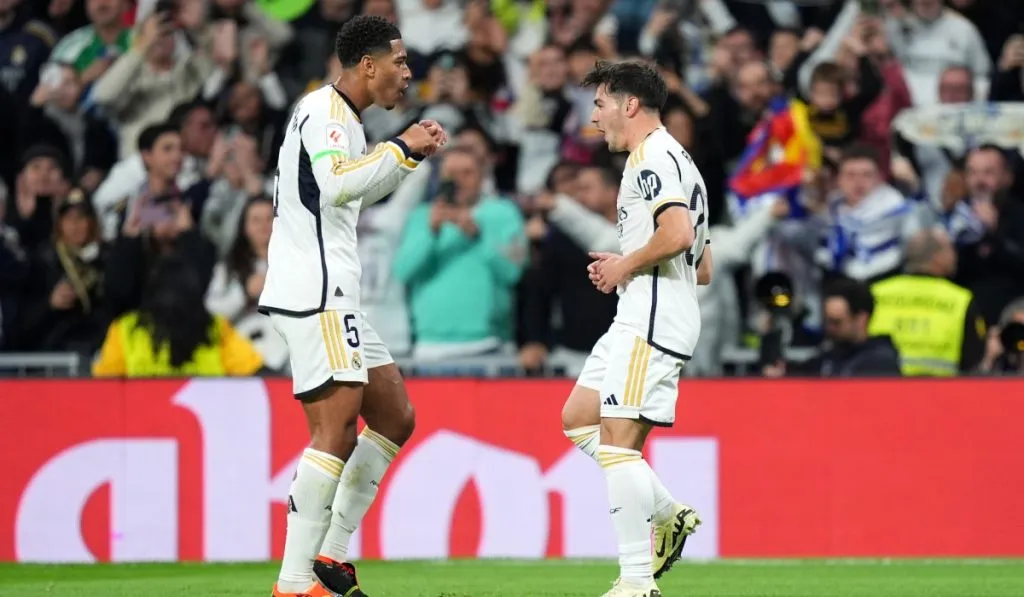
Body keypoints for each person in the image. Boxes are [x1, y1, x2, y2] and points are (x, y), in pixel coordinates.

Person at [255, 15, 446, 597]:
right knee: (334, 432)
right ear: (369, 64)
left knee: (393, 417)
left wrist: (406, 157)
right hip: (316, 292)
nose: (408, 74)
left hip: (334, 293)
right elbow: (339, 184)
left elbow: (354, 188)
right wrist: (402, 144)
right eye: (401, 62)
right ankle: (294, 584)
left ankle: (329, 557)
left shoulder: (342, 118)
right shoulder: (326, 113)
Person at [562, 60, 710, 597]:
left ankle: (636, 582)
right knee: (579, 419)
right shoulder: (681, 161)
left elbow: (676, 233)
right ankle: (668, 514)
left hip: (651, 317)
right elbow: (703, 264)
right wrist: (632, 258)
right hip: (642, 311)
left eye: (600, 104)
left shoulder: (652, 159)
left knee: (619, 445)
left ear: (629, 105)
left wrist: (626, 265)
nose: (594, 117)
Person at [91, 255, 263, 377]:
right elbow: (105, 386)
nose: (171, 298)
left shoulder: (216, 326)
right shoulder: (125, 329)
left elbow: (254, 371)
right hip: (146, 423)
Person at [868, 228, 986, 376]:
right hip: (940, 394)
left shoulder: (877, 293)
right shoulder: (960, 300)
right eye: (950, 249)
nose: (955, 256)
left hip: (879, 391)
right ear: (937, 257)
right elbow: (974, 358)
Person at [764, 277, 902, 378]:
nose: (829, 328)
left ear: (861, 319)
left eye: (837, 322)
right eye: (827, 321)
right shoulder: (831, 355)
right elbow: (805, 370)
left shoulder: (880, 362)